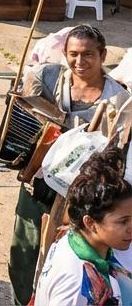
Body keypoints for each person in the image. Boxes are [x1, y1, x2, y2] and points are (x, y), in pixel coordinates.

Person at [8, 25, 129, 304]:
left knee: (63, 261)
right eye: (73, 54)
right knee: (22, 256)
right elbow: (21, 108)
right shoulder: (47, 79)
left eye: (88, 54)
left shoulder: (119, 101)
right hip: (38, 183)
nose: (80, 61)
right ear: (65, 54)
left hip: (81, 199)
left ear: (102, 55)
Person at [33, 146, 132, 304]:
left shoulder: (71, 239)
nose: (131, 227)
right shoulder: (76, 284)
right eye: (123, 221)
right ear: (91, 223)